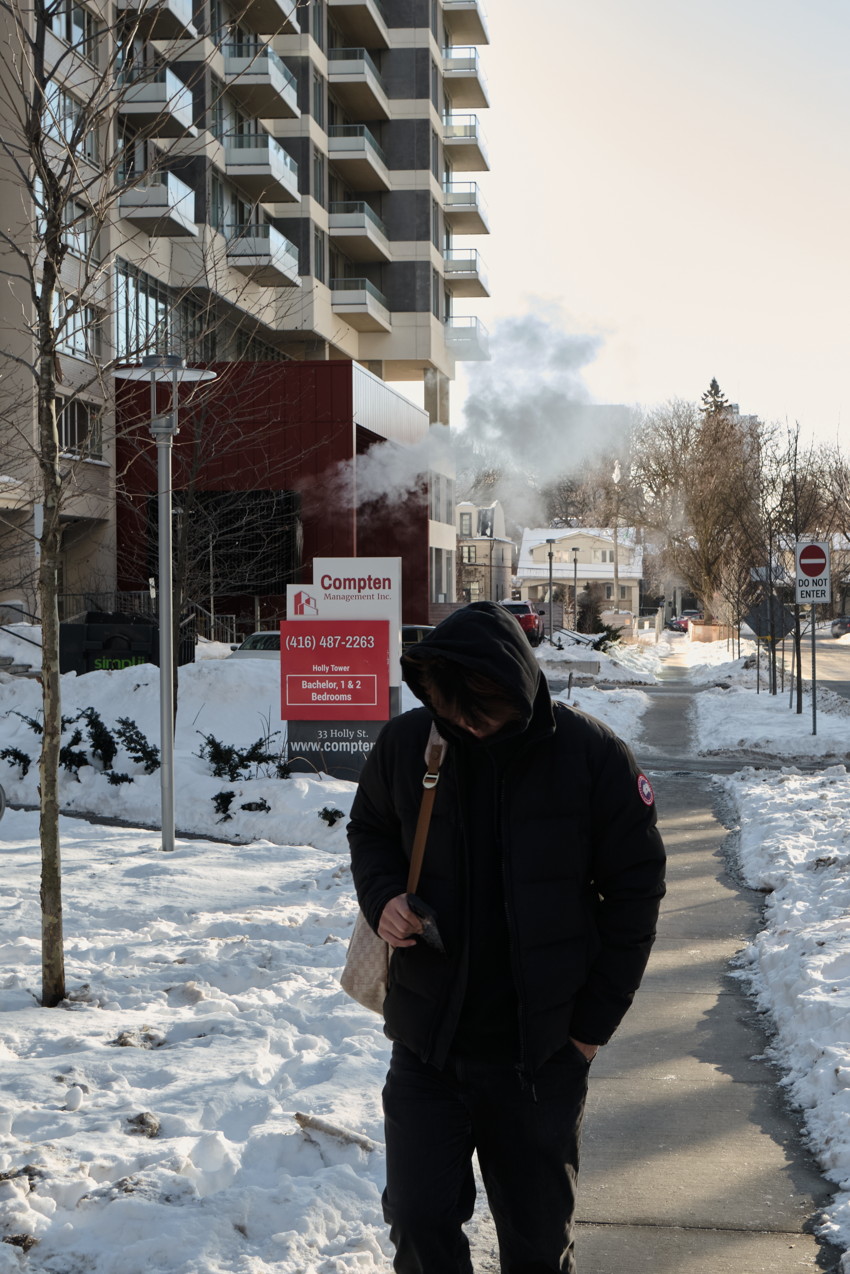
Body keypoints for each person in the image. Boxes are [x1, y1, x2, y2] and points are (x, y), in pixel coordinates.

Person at [347, 601, 666, 1274]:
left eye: (481, 714)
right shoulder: (409, 745)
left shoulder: (592, 757)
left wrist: (587, 1033)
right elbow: (370, 829)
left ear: (515, 690)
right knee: (418, 1221)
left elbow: (635, 894)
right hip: (429, 1047)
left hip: (541, 1056)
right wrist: (384, 900)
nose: (465, 726)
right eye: (452, 712)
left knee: (536, 1246)